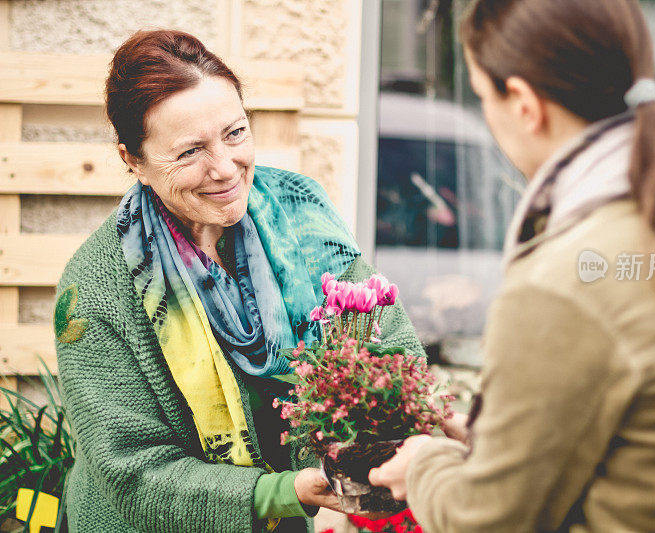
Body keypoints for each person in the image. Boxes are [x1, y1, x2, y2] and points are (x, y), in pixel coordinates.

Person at [368, 1, 655, 531]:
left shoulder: (559, 283)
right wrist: (496, 442)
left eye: (483, 98)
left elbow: (486, 520)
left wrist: (426, 465)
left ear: (525, 104)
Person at [54, 29, 423, 533]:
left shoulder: (301, 211)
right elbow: (131, 472)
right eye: (189, 152)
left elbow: (391, 348)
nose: (225, 169)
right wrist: (280, 492)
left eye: (235, 133)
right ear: (132, 160)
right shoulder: (96, 287)